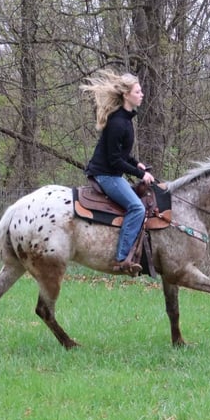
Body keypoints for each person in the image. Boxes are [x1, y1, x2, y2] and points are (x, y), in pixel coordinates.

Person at [82, 69, 155, 276]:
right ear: (126, 95)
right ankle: (122, 259)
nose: (141, 94)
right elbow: (114, 160)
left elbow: (122, 154)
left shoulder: (125, 120)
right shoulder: (117, 123)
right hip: (106, 175)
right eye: (138, 91)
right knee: (137, 208)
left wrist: (137, 164)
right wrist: (141, 175)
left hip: (112, 173)